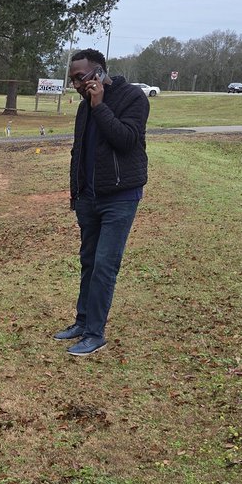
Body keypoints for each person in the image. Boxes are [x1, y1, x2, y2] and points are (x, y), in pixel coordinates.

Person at [52, 49, 149, 357]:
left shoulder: (133, 98)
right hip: (88, 198)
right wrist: (75, 194)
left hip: (119, 198)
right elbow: (78, 153)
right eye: (72, 80)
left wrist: (100, 105)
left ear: (98, 73)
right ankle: (82, 323)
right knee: (89, 263)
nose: (76, 85)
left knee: (105, 266)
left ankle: (96, 333)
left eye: (80, 78)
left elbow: (126, 140)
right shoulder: (83, 108)